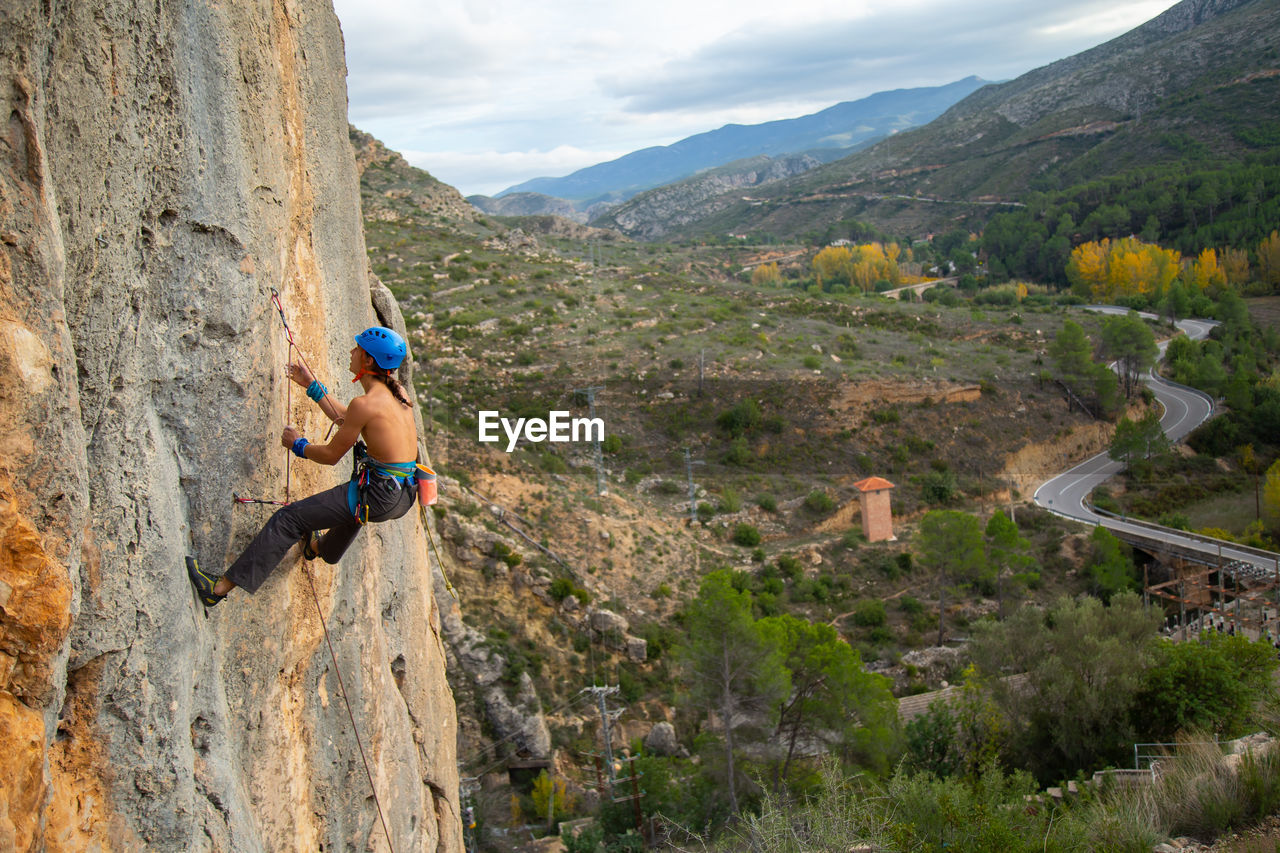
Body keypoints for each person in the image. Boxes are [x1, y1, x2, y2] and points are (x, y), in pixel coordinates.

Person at [188, 326, 419, 606]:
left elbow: (332, 454)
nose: (351, 352)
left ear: (369, 361)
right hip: (403, 494)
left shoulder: (366, 403)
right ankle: (316, 548)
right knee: (352, 509)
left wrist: (298, 445)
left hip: (380, 494)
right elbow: (350, 420)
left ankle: (217, 589)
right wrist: (312, 387)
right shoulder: (398, 395)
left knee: (290, 519)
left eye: (357, 349)